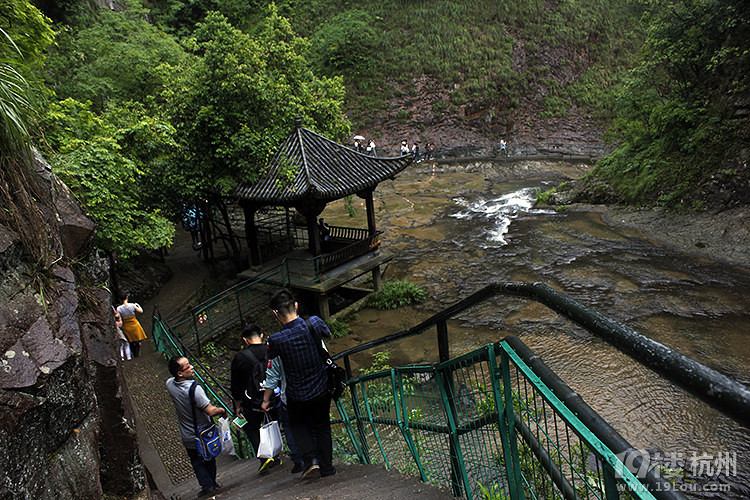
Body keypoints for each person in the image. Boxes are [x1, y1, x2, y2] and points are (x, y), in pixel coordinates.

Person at [262, 289, 335, 479]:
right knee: (322, 426)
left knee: (298, 425)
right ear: (296, 305)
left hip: (296, 394)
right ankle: (328, 468)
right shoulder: (314, 323)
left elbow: (272, 359)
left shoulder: (275, 340)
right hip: (321, 388)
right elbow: (327, 333)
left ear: (275, 314)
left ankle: (310, 460)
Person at [166, 356, 227, 497]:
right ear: (180, 373)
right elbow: (210, 411)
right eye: (188, 366)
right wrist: (222, 410)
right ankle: (212, 483)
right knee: (209, 459)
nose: (192, 367)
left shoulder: (170, 384)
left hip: (187, 434)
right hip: (203, 434)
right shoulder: (195, 390)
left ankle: (207, 486)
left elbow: (170, 380)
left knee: (196, 461)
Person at [230, 323, 281, 472]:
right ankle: (277, 455)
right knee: (274, 423)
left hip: (251, 402)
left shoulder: (240, 358)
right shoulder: (271, 350)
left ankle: (264, 457)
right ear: (261, 336)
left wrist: (237, 405)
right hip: (273, 397)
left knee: (252, 428)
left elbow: (236, 385)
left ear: (245, 340)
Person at [262, 356, 306, 474]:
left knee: (290, 427)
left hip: (289, 396)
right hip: (313, 390)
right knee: (313, 424)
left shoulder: (276, 346)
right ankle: (319, 458)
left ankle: (299, 460)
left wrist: (266, 400)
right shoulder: (311, 337)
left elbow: (272, 377)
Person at [116, 292, 147, 358]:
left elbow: (117, 316)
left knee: (130, 341)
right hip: (135, 324)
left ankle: (134, 353)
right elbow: (141, 311)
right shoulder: (132, 305)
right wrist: (138, 305)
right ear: (127, 297)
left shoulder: (119, 308)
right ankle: (137, 350)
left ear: (120, 299)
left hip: (126, 326)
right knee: (138, 338)